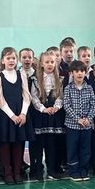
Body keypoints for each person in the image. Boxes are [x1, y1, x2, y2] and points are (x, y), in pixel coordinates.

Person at [0, 48, 31, 185]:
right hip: (6, 116)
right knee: (5, 145)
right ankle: (7, 173)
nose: (11, 61)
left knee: (18, 143)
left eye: (13, 58)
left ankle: (17, 172)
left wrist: (23, 113)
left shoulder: (22, 75)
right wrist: (12, 115)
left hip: (20, 114)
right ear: (3, 61)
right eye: (8, 58)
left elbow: (26, 96)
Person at [29, 51, 65, 181]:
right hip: (40, 115)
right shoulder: (35, 79)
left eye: (52, 62)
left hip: (54, 115)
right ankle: (38, 171)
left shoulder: (60, 79)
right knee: (38, 145)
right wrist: (43, 109)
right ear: (42, 64)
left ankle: (51, 170)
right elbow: (34, 97)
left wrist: (56, 107)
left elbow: (61, 96)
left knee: (52, 145)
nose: (50, 64)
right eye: (47, 62)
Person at [61, 61, 95, 181]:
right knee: (72, 148)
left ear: (85, 73)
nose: (79, 73)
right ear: (72, 73)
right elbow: (67, 105)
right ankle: (73, 171)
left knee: (85, 149)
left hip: (86, 126)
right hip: (72, 126)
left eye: (82, 71)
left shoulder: (89, 88)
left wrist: (88, 119)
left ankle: (84, 170)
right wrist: (77, 119)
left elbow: (93, 105)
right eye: (76, 71)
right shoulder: (68, 88)